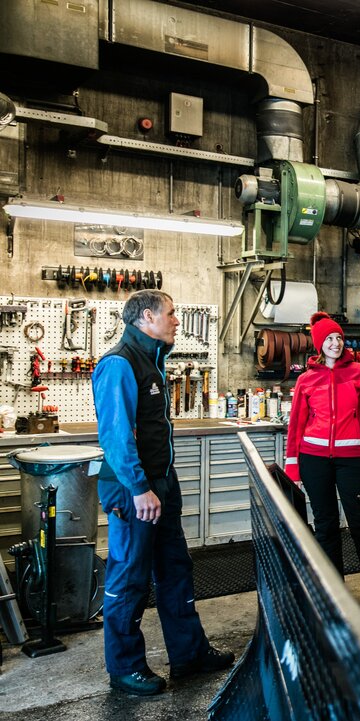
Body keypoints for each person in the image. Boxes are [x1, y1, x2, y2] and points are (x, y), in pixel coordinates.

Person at [93, 290, 234, 697]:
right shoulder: (119, 364)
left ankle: (189, 654)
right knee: (130, 578)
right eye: (171, 314)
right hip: (134, 491)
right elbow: (117, 438)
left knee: (175, 570)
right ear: (147, 317)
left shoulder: (152, 362)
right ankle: (124, 667)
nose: (176, 321)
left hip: (160, 487)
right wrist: (139, 488)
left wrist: (161, 486)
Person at [284, 312, 360, 620]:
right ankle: (333, 595)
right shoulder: (306, 379)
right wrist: (293, 466)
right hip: (314, 459)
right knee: (326, 526)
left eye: (338, 338)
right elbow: (297, 425)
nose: (335, 343)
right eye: (329, 339)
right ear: (319, 345)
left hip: (352, 460)